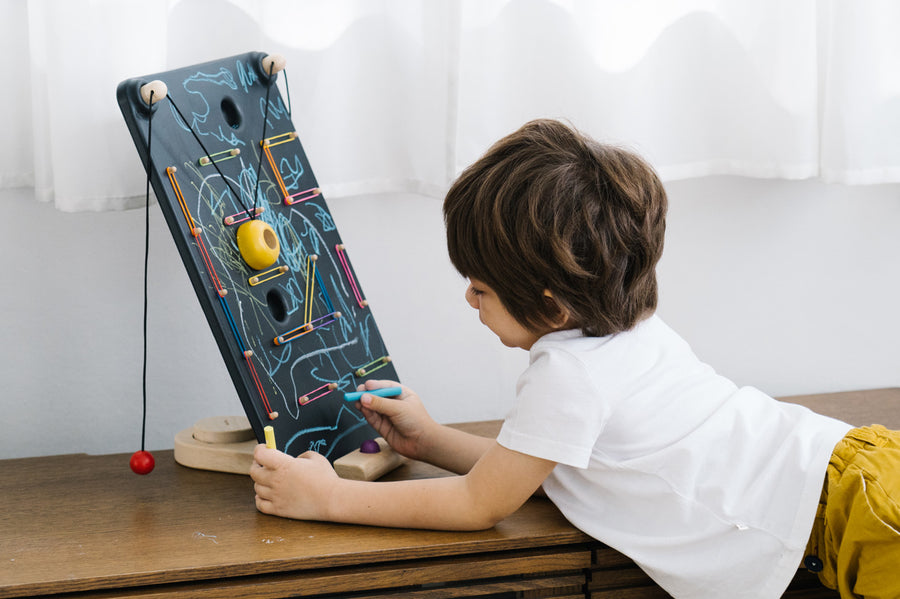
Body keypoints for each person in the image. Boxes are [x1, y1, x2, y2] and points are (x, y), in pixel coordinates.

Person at [251, 119, 900, 598]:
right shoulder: (634, 332)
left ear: (553, 306)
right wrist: (430, 440)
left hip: (849, 521)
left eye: (481, 286)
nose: (467, 297)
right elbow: (546, 467)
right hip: (851, 468)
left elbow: (483, 503)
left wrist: (329, 500)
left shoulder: (569, 374)